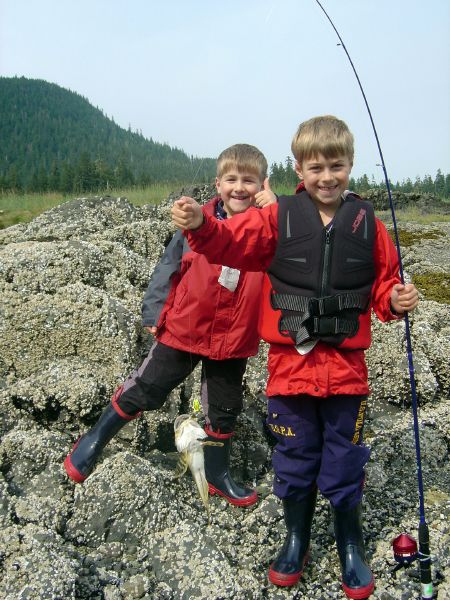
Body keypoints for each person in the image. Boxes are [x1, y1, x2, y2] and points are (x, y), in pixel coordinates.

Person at [171, 116, 419, 599]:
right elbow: (232, 242)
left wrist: (395, 301)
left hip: (347, 373)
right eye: (316, 167)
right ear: (298, 170)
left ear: (350, 165)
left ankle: (351, 544)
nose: (327, 177)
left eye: (337, 166)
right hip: (289, 370)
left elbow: (384, 286)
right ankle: (296, 538)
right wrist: (203, 225)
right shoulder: (275, 218)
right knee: (295, 458)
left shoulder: (369, 224)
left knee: (346, 460)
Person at [64, 143, 277, 507]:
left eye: (249, 180)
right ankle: (94, 440)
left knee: (224, 410)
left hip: (234, 338)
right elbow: (168, 268)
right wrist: (153, 312)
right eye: (231, 179)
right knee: (146, 388)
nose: (239, 187)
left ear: (264, 185)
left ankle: (216, 474)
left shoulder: (269, 229)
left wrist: (274, 210)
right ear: (217, 183)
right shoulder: (196, 221)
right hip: (184, 329)